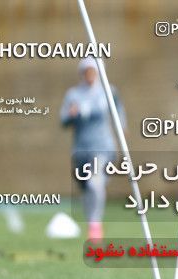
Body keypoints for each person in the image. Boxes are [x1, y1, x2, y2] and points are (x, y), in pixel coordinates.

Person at [60, 57, 126, 241]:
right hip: (81, 150)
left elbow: (119, 110)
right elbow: (63, 120)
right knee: (85, 187)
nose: (90, 75)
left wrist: (122, 126)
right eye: (86, 71)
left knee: (94, 183)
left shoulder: (109, 91)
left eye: (93, 71)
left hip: (103, 148)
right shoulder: (73, 94)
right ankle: (91, 222)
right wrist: (70, 115)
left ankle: (95, 225)